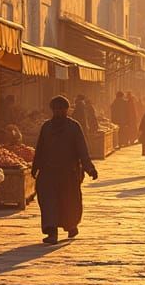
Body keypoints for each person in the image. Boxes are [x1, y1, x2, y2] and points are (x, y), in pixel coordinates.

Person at [31, 95, 98, 244]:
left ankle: (71, 225)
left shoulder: (74, 127)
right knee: (48, 202)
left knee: (70, 201)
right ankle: (51, 232)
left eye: (61, 109)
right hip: (48, 172)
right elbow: (40, 148)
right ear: (52, 110)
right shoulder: (46, 127)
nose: (59, 112)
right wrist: (35, 166)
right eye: (56, 109)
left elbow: (82, 150)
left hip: (69, 172)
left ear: (67, 110)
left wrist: (90, 168)